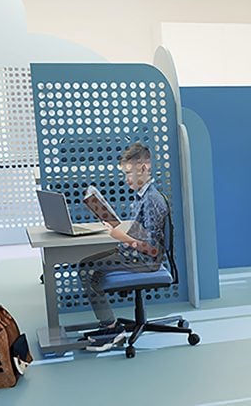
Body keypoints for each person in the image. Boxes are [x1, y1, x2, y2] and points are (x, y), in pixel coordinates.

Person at [79, 142, 170, 350]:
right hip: (133, 254)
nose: (126, 179)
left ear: (144, 169)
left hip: (145, 261)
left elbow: (153, 249)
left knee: (87, 269)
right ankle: (109, 325)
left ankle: (112, 329)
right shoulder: (142, 198)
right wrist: (117, 227)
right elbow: (141, 232)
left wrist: (121, 236)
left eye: (129, 173)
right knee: (87, 264)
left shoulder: (152, 200)